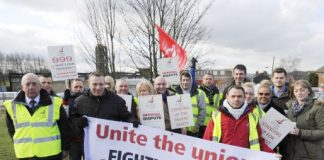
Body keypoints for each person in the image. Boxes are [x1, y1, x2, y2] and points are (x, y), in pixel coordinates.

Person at [70, 72, 138, 160]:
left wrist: (132, 120)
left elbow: (126, 116)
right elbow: (72, 121)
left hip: (111, 147)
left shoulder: (117, 100)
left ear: (104, 84)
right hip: (90, 148)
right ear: (89, 84)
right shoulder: (79, 102)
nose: (98, 87)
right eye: (94, 84)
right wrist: (78, 122)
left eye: (101, 84)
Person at [3, 73, 69, 159]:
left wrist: (65, 148)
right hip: (25, 154)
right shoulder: (11, 106)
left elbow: (64, 127)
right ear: (22, 87)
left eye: (34, 84)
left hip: (51, 154)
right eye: (27, 84)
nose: (31, 87)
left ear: (40, 86)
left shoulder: (55, 103)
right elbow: (11, 130)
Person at [203, 85, 273, 153]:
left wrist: (272, 154)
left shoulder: (253, 117)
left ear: (244, 97)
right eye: (233, 96)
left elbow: (260, 142)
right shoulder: (216, 116)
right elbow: (206, 140)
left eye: (239, 96)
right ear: (227, 97)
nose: (236, 99)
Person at [283, 80, 324, 160]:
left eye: (302, 90)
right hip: (290, 154)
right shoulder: (290, 108)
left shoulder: (318, 108)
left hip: (310, 155)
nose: (299, 93)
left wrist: (300, 132)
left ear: (309, 91)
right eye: (296, 91)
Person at [175, 71, 206, 138]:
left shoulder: (199, 93)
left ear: (191, 81)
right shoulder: (176, 93)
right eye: (183, 80)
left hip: (194, 130)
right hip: (181, 130)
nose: (185, 82)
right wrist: (181, 127)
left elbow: (202, 111)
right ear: (180, 81)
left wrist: (197, 126)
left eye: (187, 80)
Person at [62, 79, 85, 160]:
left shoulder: (88, 99)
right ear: (71, 88)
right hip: (73, 141)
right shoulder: (67, 100)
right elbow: (64, 116)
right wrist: (65, 101)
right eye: (76, 87)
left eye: (80, 87)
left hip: (87, 140)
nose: (78, 89)